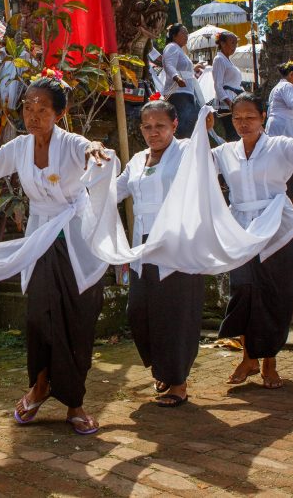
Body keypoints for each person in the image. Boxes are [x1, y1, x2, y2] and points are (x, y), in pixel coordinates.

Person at [0, 76, 110, 435]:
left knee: (76, 319)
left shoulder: (72, 143)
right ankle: (41, 385)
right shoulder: (19, 147)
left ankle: (75, 402)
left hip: (75, 237)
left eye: (42, 109)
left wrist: (95, 149)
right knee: (39, 316)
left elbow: (90, 148)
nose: (33, 115)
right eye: (28, 108)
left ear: (59, 113)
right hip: (39, 237)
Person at [204, 92, 293, 388]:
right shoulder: (225, 152)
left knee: (272, 293)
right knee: (243, 292)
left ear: (263, 117)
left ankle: (269, 361)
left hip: (276, 230)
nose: (243, 124)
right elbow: (191, 162)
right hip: (240, 229)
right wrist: (201, 131)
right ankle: (248, 357)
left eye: (250, 117)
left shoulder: (280, 147)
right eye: (237, 118)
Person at [117, 100, 200, 406]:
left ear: (174, 125)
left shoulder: (188, 152)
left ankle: (178, 381)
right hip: (142, 245)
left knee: (174, 315)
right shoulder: (137, 160)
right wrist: (89, 180)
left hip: (176, 243)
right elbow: (117, 190)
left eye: (160, 126)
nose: (153, 133)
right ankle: (162, 368)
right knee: (139, 311)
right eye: (147, 127)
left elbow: (204, 166)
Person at [162, 23, 200, 138]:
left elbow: (185, 71)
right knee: (183, 124)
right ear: (174, 35)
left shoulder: (179, 50)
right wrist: (177, 78)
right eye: (183, 32)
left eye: (187, 33)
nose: (186, 35)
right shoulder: (172, 47)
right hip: (177, 93)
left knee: (189, 122)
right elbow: (168, 65)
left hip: (186, 92)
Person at [211, 31, 243, 141]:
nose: (235, 46)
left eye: (236, 43)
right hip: (227, 104)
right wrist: (230, 103)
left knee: (237, 133)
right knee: (232, 134)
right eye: (232, 42)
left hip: (235, 102)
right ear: (223, 43)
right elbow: (218, 85)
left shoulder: (227, 60)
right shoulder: (219, 59)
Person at [266, 61, 293, 138]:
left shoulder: (277, 87)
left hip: (277, 125)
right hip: (284, 127)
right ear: (291, 74)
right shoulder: (287, 85)